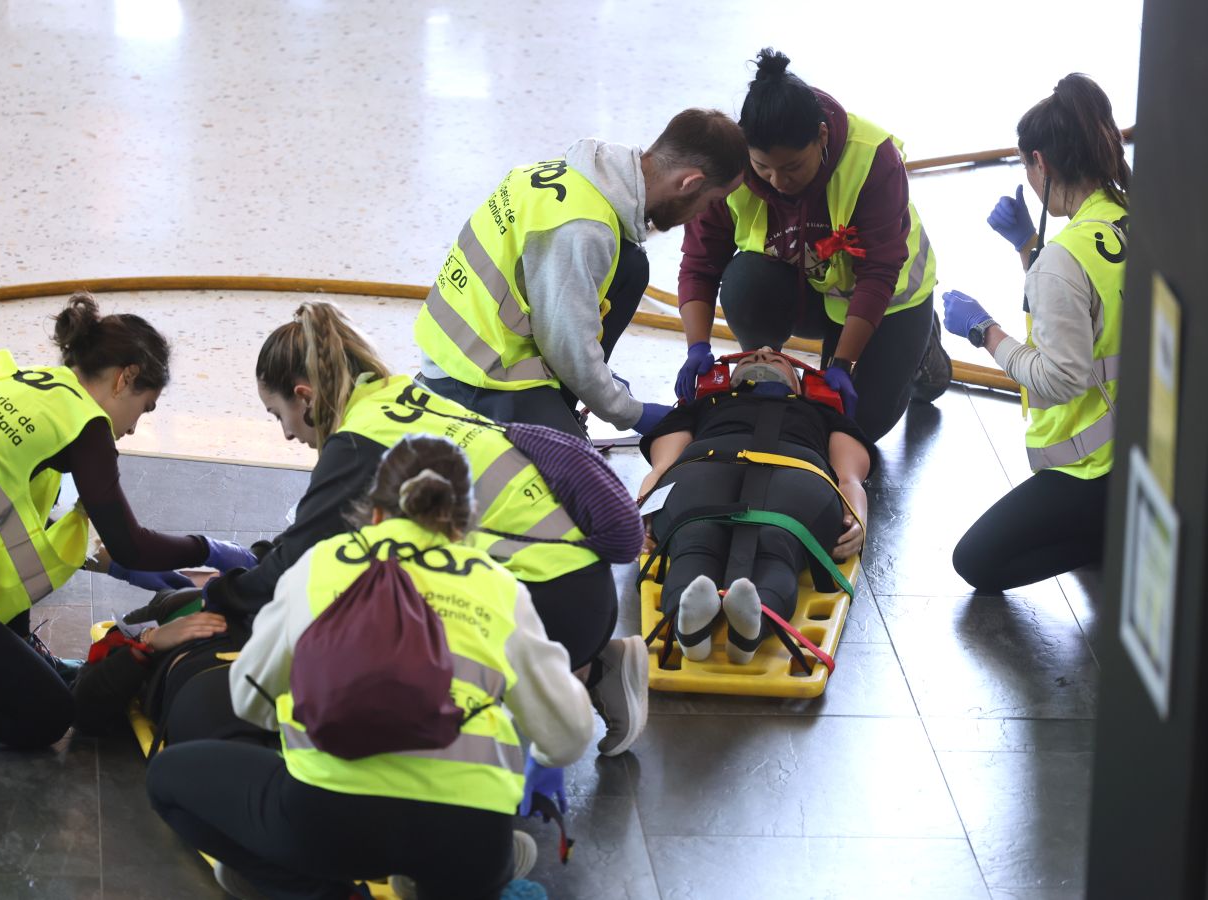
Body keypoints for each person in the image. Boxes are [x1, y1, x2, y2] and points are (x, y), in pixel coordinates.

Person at [147, 435, 593, 900]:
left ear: (375, 511)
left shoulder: (320, 565)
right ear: (464, 525)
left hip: (331, 824)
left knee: (169, 781)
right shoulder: (499, 587)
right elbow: (568, 735)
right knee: (482, 856)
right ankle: (473, 879)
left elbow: (250, 698)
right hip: (467, 830)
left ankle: (313, 891)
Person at [202, 300, 647, 756]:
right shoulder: (397, 394)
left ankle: (524, 722)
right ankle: (595, 668)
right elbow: (313, 531)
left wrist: (219, 598)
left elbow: (299, 563)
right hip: (579, 587)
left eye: (279, 415)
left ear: (304, 396)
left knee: (382, 627)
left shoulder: (359, 441)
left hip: (549, 602)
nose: (287, 435)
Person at [0, 293, 255, 749]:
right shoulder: (85, 424)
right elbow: (129, 545)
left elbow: (29, 527)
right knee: (47, 716)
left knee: (16, 645)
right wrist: (206, 548)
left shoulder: (18, 383)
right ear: (126, 378)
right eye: (144, 408)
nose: (133, 429)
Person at [414, 107, 749, 438]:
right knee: (573, 481)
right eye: (710, 201)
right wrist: (630, 411)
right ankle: (495, 421)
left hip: (473, 344)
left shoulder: (581, 175)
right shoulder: (584, 229)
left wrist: (601, 379)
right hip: (475, 374)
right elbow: (566, 347)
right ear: (690, 183)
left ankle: (556, 402)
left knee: (631, 265)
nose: (700, 215)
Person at [675, 48, 950, 443]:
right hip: (805, 290)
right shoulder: (730, 165)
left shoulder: (873, 158)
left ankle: (921, 347)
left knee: (853, 428)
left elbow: (879, 274)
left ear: (821, 137)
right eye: (763, 167)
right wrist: (697, 348)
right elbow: (700, 264)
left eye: (791, 167)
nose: (777, 182)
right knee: (746, 281)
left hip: (886, 302)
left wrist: (842, 364)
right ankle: (767, 367)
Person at [944, 74, 1130, 592]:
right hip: (1153, 451)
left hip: (1097, 470)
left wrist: (985, 331)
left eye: (1025, 165)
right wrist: (1029, 245)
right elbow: (1095, 310)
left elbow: (1060, 378)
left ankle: (1110, 535)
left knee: (976, 562)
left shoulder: (1061, 260)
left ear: (1040, 163)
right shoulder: (1130, 217)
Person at [638, 349, 871, 662]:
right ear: (729, 380)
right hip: (707, 467)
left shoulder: (825, 414)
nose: (762, 357)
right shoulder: (701, 406)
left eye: (776, 360)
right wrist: (642, 510)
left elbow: (849, 477)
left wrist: (857, 520)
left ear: (799, 385)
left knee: (775, 542)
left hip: (795, 474)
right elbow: (662, 466)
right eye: (748, 361)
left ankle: (743, 623)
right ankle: (707, 622)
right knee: (698, 535)